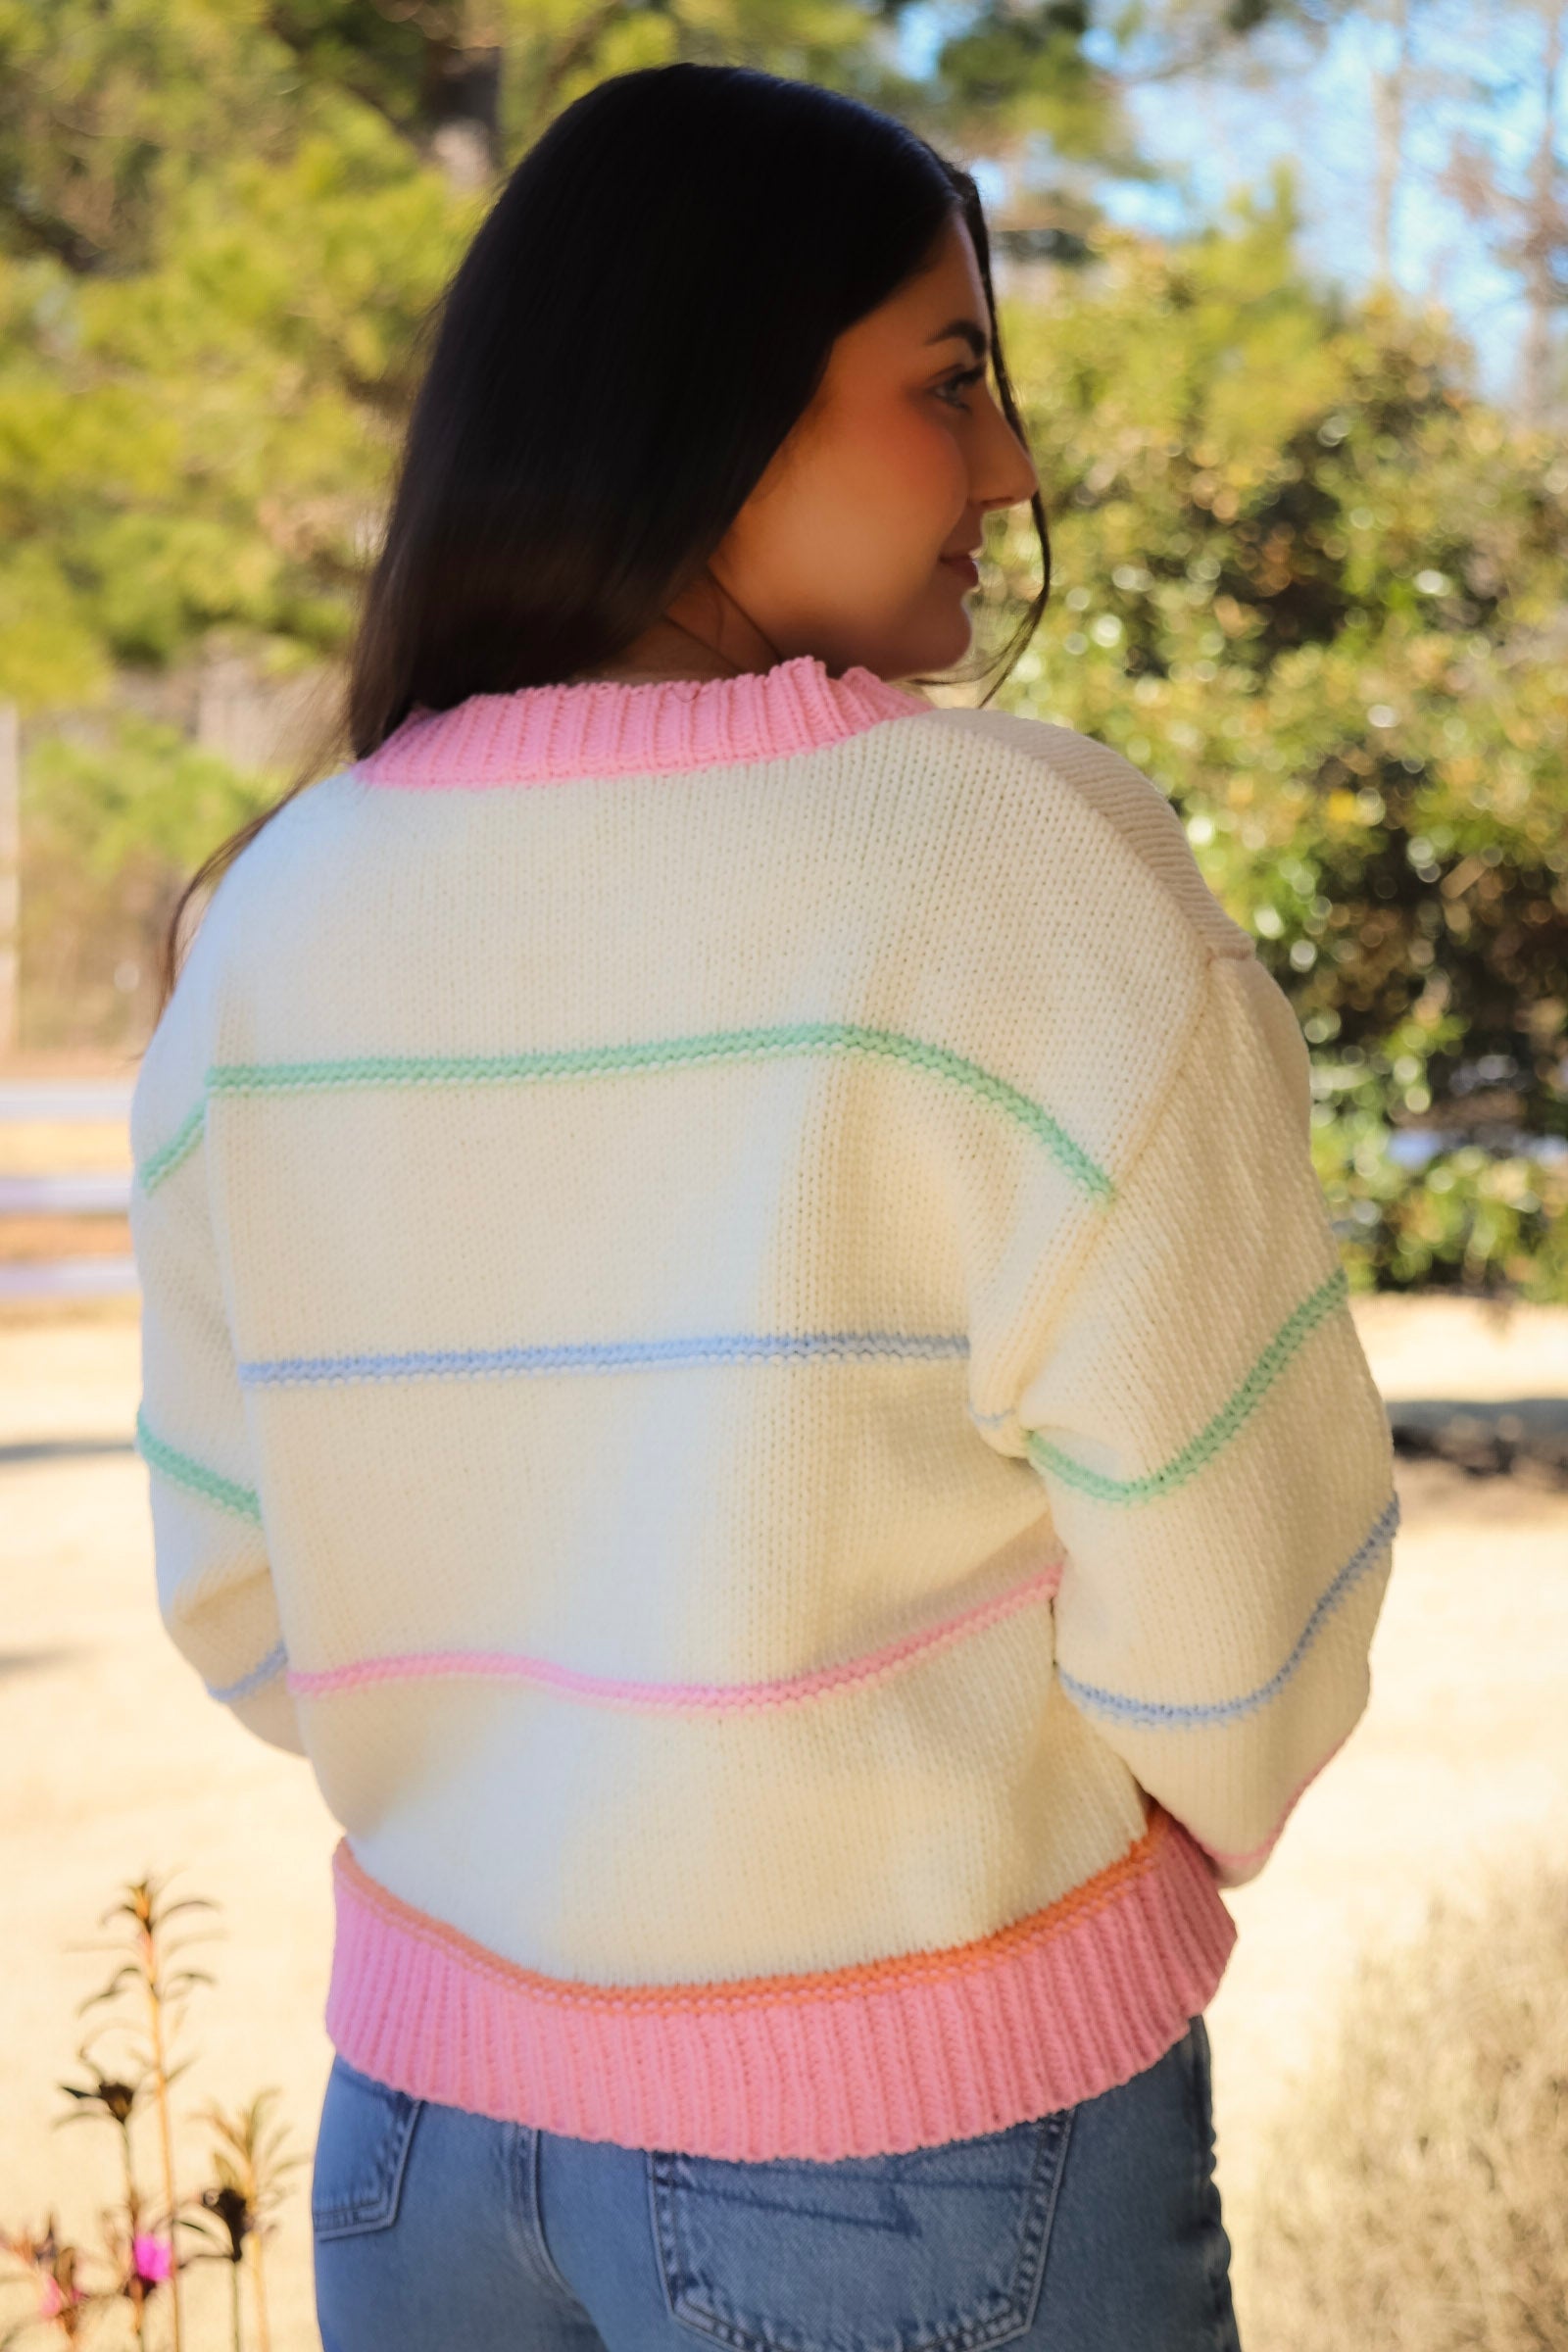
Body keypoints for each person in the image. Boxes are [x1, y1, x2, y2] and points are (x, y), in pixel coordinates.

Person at [127, 60, 1399, 2352]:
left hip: (422, 2148)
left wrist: (565, 1795)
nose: (1009, 466)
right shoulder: (1017, 874)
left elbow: (243, 1593)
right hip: (922, 2130)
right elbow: (1240, 1606)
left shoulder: (278, 917)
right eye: (948, 380)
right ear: (705, 394)